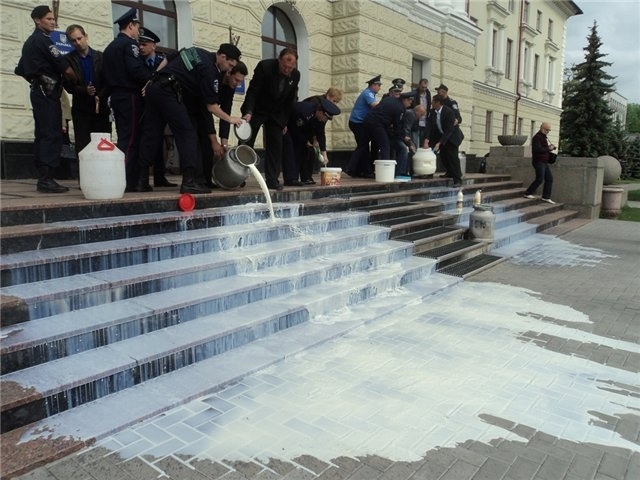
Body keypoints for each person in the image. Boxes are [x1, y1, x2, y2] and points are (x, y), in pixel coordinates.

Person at [136, 43, 243, 194]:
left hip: (155, 87)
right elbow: (211, 107)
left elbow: (170, 57)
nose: (229, 69)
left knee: (151, 133)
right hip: (169, 92)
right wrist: (230, 119)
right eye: (229, 64)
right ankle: (189, 181)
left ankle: (142, 181)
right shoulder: (210, 70)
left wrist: (153, 76)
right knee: (188, 134)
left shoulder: (197, 51)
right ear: (222, 56)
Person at [14, 5, 76, 193]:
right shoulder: (44, 41)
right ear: (37, 20)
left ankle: (44, 177)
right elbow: (65, 68)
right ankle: (46, 179)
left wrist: (36, 79)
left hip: (38, 92)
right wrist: (76, 79)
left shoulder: (29, 42)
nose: (52, 22)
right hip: (48, 93)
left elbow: (20, 69)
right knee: (50, 134)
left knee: (42, 134)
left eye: (52, 18)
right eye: (48, 19)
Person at [102, 8, 152, 191]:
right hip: (129, 95)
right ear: (130, 26)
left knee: (124, 136)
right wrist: (151, 79)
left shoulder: (110, 47)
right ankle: (122, 179)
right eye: (137, 27)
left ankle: (124, 178)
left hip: (116, 96)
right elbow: (135, 70)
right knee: (130, 138)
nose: (138, 31)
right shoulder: (129, 45)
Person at [240, 47, 301, 191]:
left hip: (277, 112)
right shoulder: (265, 67)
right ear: (279, 60)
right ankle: (239, 176)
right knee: (246, 141)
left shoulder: (296, 75)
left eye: (290, 68)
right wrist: (248, 112)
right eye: (285, 66)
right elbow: (253, 91)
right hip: (258, 108)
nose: (287, 70)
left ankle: (272, 179)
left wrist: (284, 121)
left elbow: (290, 100)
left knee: (276, 144)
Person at [63, 24, 111, 156]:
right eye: (73, 40)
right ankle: (84, 175)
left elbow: (109, 81)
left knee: (102, 144)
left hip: (100, 108)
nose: (77, 43)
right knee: (83, 146)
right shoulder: (68, 59)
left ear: (86, 36)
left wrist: (100, 96)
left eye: (79, 38)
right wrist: (84, 91)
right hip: (81, 109)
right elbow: (67, 85)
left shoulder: (101, 57)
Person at [137, 27, 175, 188]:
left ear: (153, 46)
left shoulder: (163, 62)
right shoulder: (137, 62)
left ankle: (160, 177)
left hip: (162, 108)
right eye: (140, 45)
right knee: (147, 142)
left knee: (160, 143)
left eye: (144, 44)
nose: (141, 48)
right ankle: (143, 179)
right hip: (144, 108)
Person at [282, 97, 340, 186]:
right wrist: (305, 141)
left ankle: (294, 178)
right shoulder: (304, 110)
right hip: (286, 125)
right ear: (320, 111)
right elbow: (294, 127)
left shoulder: (319, 119)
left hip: (298, 130)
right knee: (289, 151)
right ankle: (290, 179)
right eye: (325, 117)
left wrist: (324, 154)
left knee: (300, 151)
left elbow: (321, 134)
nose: (325, 120)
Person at [302, 87, 342, 183]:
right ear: (328, 96)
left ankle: (307, 176)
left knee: (311, 151)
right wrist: (307, 139)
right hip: (303, 125)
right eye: (334, 101)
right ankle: (303, 176)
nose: (334, 104)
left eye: (336, 102)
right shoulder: (316, 102)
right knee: (303, 151)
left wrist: (323, 151)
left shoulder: (328, 108)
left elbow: (321, 129)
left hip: (312, 129)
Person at [345, 75, 382, 178]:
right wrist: (385, 105)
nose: (379, 87)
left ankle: (361, 171)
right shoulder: (368, 93)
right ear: (373, 85)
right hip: (358, 123)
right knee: (362, 146)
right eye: (378, 85)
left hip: (359, 123)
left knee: (364, 147)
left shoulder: (371, 94)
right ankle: (351, 168)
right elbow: (374, 106)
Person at [424, 94, 464, 187]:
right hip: (441, 136)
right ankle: (449, 172)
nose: (431, 104)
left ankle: (457, 179)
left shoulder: (448, 112)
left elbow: (449, 130)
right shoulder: (432, 112)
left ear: (438, 102)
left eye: (433, 102)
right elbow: (429, 126)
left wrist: (440, 143)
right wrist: (427, 139)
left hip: (452, 137)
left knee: (453, 158)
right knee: (443, 156)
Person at [362, 91, 414, 163]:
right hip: (378, 124)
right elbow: (397, 126)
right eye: (409, 100)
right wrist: (403, 137)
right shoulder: (400, 108)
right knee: (385, 146)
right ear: (404, 100)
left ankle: (357, 169)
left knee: (364, 146)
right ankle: (386, 168)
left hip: (367, 121)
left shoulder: (390, 99)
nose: (410, 102)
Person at [524, 122, 557, 203]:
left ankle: (546, 197)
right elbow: (537, 150)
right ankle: (528, 193)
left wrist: (550, 147)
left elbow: (544, 148)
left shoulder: (544, 137)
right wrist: (549, 148)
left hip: (544, 162)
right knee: (540, 178)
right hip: (538, 161)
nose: (548, 131)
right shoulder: (537, 137)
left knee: (549, 179)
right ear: (542, 128)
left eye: (549, 130)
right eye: (547, 130)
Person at [400, 104, 427, 176]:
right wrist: (410, 143)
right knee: (407, 151)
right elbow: (407, 129)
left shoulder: (412, 114)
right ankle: (405, 171)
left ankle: (408, 171)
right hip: (402, 136)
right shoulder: (411, 115)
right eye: (421, 114)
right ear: (417, 111)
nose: (421, 117)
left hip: (405, 135)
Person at [412, 79, 431, 146]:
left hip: (424, 122)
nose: (424, 89)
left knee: (422, 144)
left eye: (425, 87)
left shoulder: (428, 94)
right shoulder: (414, 93)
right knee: (415, 143)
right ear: (419, 85)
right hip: (416, 122)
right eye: (423, 87)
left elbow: (428, 107)